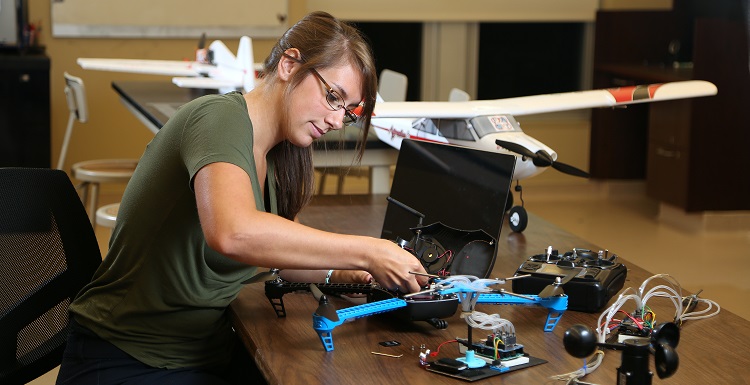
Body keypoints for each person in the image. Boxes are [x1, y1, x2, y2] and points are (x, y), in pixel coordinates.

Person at [56, 11, 428, 385]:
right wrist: (369, 251)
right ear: (288, 65)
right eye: (334, 97)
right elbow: (232, 231)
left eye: (347, 112)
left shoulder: (279, 152)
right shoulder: (219, 119)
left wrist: (345, 273)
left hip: (200, 350)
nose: (336, 120)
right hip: (128, 359)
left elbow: (282, 252)